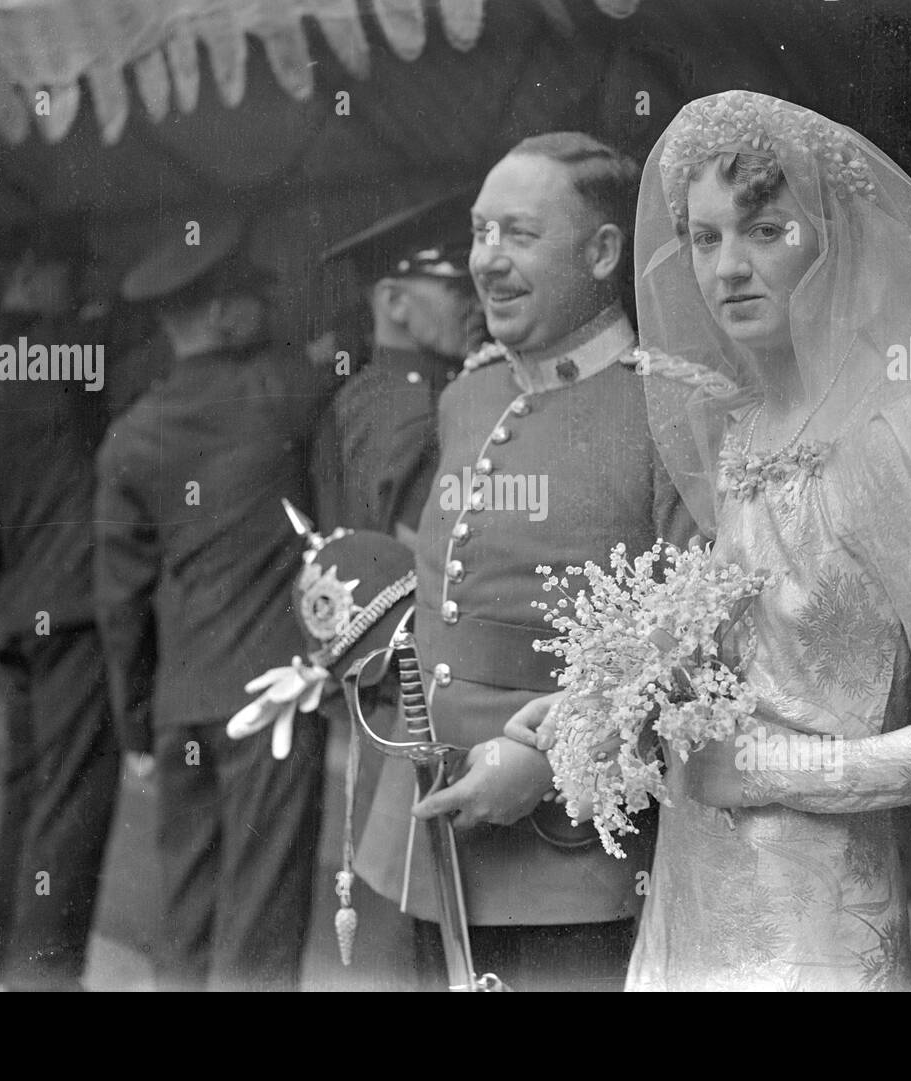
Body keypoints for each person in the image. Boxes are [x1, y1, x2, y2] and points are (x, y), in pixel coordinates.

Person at [508, 91, 911, 991]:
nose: (728, 268)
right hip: (693, 895)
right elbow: (749, 658)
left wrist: (774, 767)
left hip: (814, 924)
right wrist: (603, 710)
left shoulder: (906, 434)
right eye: (704, 237)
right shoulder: (746, 430)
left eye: (765, 230)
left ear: (832, 236)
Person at [354, 133, 693, 992]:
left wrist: (553, 762)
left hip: (571, 859)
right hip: (425, 836)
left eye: (519, 235)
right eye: (479, 233)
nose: (488, 261)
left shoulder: (672, 407)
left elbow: (709, 646)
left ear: (604, 251)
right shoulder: (468, 395)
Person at [93, 211, 329, 990]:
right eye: (252, 295)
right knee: (261, 915)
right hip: (270, 702)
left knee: (184, 910)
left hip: (178, 705)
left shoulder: (131, 436)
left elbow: (120, 601)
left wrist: (135, 725)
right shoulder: (282, 389)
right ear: (226, 311)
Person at [0, 239, 120, 991]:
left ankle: (11, 968)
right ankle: (44, 976)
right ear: (31, 273)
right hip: (79, 605)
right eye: (70, 275)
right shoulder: (77, 351)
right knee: (73, 793)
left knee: (27, 791)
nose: (78, 292)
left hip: (19, 614)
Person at [312, 189, 485, 546]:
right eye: (460, 290)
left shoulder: (361, 393)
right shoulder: (419, 410)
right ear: (394, 302)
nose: (481, 305)